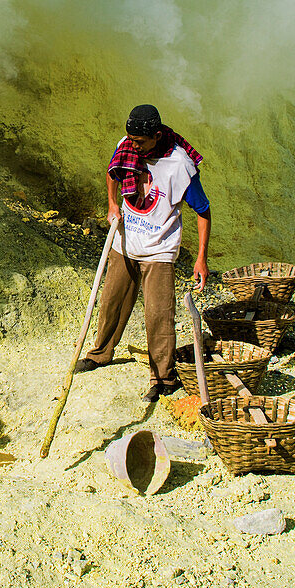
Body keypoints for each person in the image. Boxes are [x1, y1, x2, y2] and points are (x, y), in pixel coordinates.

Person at [75, 104, 211, 403]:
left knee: (158, 316)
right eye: (131, 139)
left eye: (140, 142)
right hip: (124, 242)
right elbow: (113, 172)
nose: (134, 146)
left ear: (157, 135)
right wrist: (112, 204)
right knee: (112, 302)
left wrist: (201, 258)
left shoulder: (180, 164)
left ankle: (163, 377)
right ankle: (100, 354)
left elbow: (203, 210)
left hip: (159, 249)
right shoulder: (127, 147)